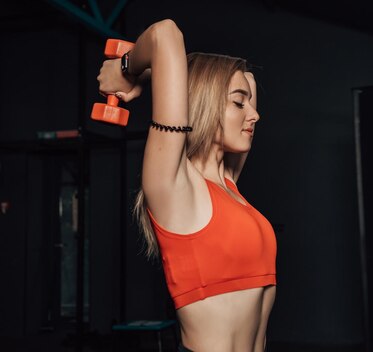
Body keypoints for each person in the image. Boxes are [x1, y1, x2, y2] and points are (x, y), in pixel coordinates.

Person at [97, 19, 277, 352]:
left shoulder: (228, 182)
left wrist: (146, 76)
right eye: (239, 104)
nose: (254, 115)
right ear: (206, 103)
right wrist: (127, 67)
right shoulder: (174, 185)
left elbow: (247, 78)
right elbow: (165, 34)